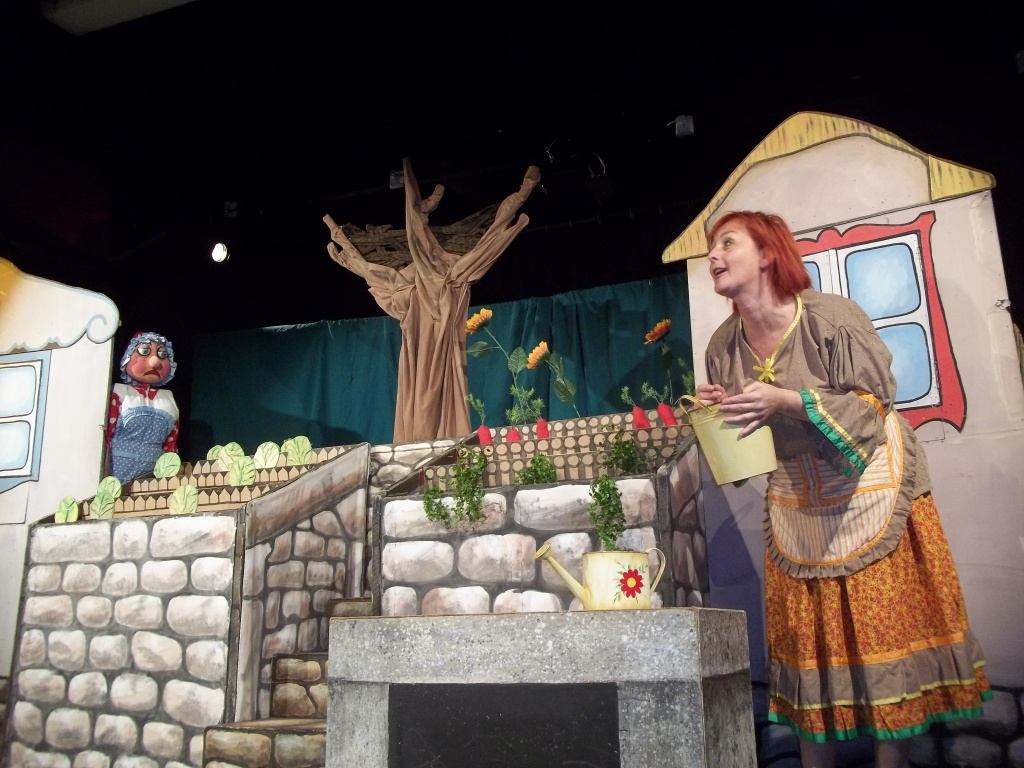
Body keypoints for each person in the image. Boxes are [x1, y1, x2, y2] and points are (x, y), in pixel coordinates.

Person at [696, 211, 989, 768]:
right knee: (807, 641)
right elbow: (749, 447)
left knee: (883, 633)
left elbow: (873, 405)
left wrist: (789, 401)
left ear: (767, 253)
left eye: (727, 243)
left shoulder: (831, 317)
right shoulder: (724, 346)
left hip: (870, 489)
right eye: (712, 246)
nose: (714, 255)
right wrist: (721, 411)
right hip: (800, 500)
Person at [106, 331, 180, 484]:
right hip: (117, 473)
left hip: (154, 477)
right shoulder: (120, 393)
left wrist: (168, 477)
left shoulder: (168, 399)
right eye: (144, 351)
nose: (155, 362)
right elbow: (107, 436)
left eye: (163, 354)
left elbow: (171, 444)